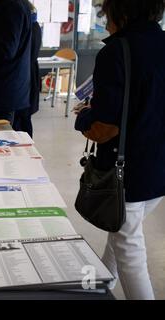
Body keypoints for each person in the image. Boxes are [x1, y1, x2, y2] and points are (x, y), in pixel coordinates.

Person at [74, 0, 165, 300]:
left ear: (122, 12)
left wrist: (84, 116)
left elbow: (104, 127)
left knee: (129, 249)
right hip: (159, 168)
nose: (105, 21)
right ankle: (103, 287)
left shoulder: (117, 52)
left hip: (129, 173)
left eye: (106, 13)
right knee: (122, 229)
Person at [12, 3, 42, 138]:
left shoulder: (25, 25)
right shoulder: (35, 24)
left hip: (22, 76)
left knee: (19, 121)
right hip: (30, 74)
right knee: (25, 119)